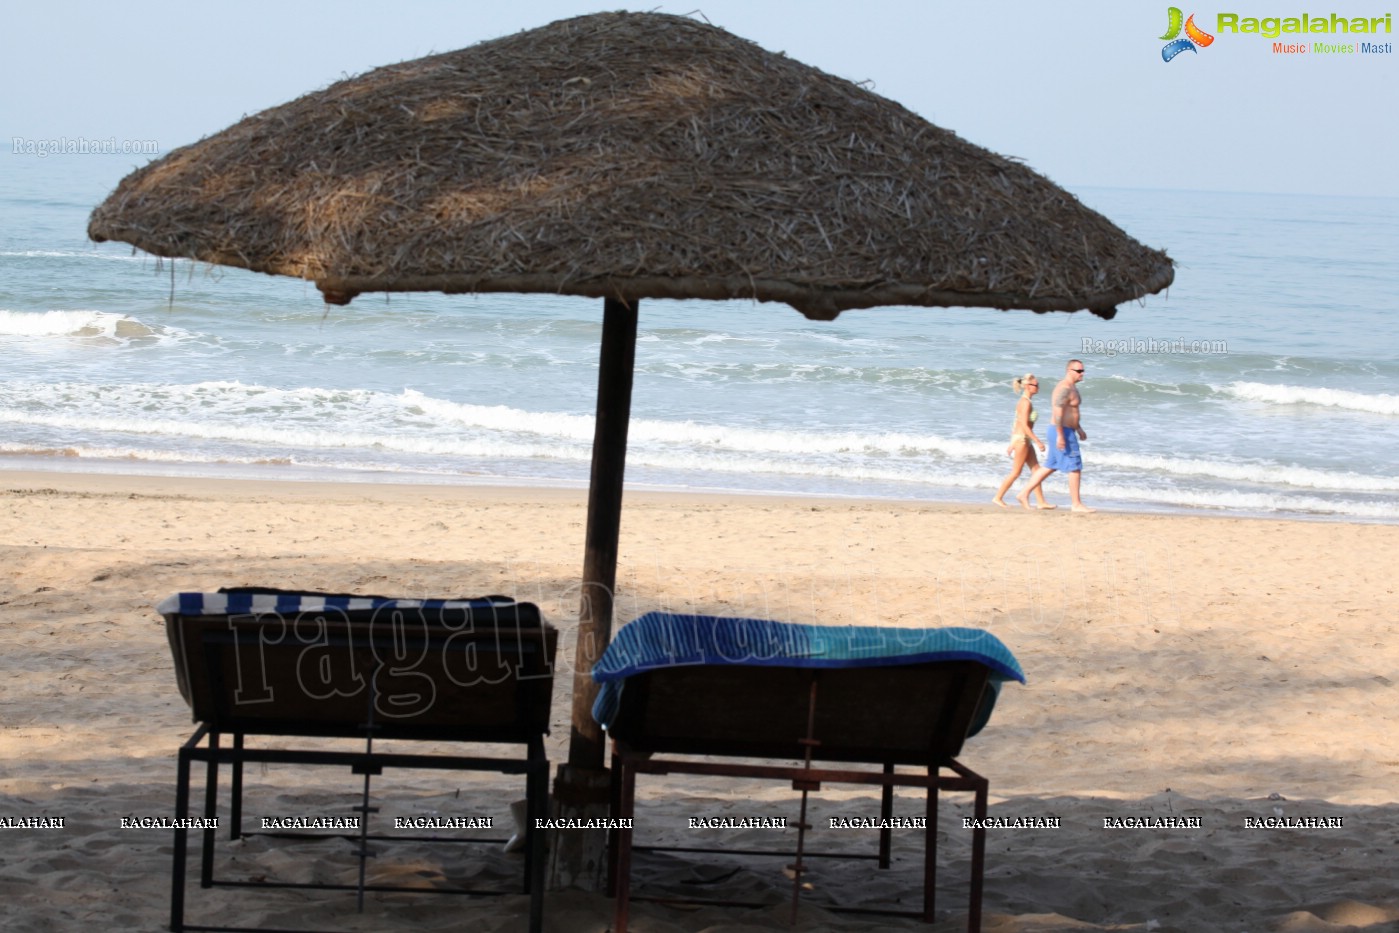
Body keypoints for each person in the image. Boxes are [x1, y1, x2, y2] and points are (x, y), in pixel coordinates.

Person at [1018, 359, 1095, 513]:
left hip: (1066, 430)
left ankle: (1023, 493)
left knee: (1050, 465)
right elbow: (1058, 413)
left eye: (1083, 370)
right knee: (1075, 466)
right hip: (1062, 431)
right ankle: (1076, 504)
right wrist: (1060, 435)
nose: (1082, 373)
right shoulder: (1064, 388)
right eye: (1079, 371)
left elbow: (1070, 412)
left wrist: (1079, 428)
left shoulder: (1072, 388)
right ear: (1070, 371)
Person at [992, 374, 1056, 510]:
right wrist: (1038, 441)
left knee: (1036, 470)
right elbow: (1024, 426)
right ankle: (998, 497)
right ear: (1028, 386)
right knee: (1016, 472)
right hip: (1022, 439)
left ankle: (1041, 502)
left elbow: (1016, 423)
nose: (1038, 387)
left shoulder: (1027, 401)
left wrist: (1012, 442)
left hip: (1023, 439)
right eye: (1036, 385)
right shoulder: (1025, 402)